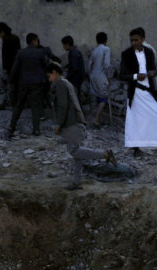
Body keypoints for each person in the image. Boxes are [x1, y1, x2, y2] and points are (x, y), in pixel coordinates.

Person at [47, 62, 115, 191]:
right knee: (76, 151)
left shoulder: (61, 84)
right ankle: (77, 181)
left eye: (49, 76)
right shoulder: (66, 83)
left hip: (71, 123)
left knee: (74, 151)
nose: (49, 79)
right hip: (75, 121)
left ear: (55, 73)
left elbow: (63, 106)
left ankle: (105, 154)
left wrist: (58, 124)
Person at [119, 27, 157, 157]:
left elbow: (155, 69)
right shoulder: (126, 54)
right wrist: (135, 76)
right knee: (135, 121)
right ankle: (137, 149)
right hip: (136, 91)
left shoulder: (149, 52)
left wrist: (152, 73)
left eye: (136, 40)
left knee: (156, 116)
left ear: (143, 40)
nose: (134, 43)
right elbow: (122, 75)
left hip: (148, 91)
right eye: (132, 40)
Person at [8, 33, 51, 138]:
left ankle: (11, 127)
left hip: (23, 82)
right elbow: (46, 66)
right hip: (36, 83)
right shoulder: (40, 53)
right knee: (35, 105)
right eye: (37, 40)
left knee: (19, 104)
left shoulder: (21, 53)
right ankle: (36, 129)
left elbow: (15, 69)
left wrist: (11, 81)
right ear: (34, 41)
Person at [0, 22, 21, 107]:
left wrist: (5, 68)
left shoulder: (6, 40)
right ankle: (19, 103)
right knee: (18, 85)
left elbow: (5, 56)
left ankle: (14, 104)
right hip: (18, 65)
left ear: (3, 32)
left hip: (10, 67)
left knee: (12, 87)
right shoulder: (16, 38)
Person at [87, 32, 111, 127]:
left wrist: (90, 74)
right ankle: (96, 119)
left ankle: (95, 118)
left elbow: (89, 65)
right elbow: (106, 64)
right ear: (106, 40)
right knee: (104, 97)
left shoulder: (94, 50)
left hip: (93, 76)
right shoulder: (106, 49)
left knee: (97, 96)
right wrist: (109, 77)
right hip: (101, 76)